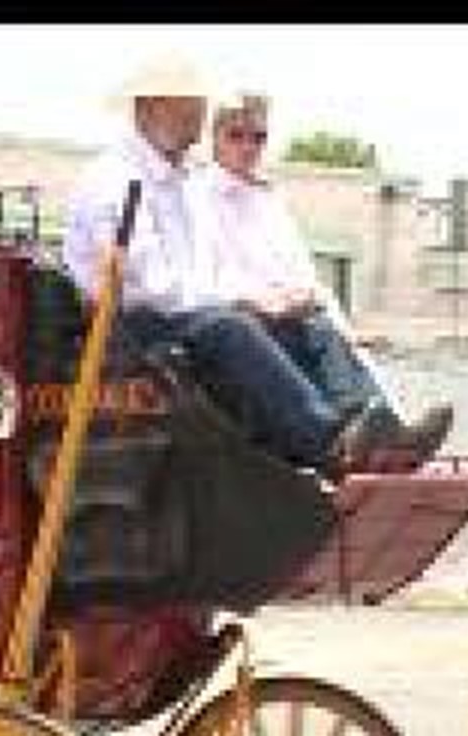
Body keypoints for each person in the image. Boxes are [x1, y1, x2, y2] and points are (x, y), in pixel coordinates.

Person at [61, 54, 421, 480]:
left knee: (307, 327)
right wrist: (244, 300)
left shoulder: (176, 183)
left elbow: (195, 277)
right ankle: (329, 443)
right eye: (189, 105)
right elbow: (152, 288)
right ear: (150, 108)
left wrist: (264, 303)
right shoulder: (116, 180)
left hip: (175, 315)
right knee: (231, 326)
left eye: (199, 105)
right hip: (127, 328)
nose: (200, 115)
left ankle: (375, 434)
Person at [194, 90, 453, 471]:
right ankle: (355, 437)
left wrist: (347, 328)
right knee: (300, 327)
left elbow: (308, 279)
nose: (249, 146)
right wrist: (261, 302)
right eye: (237, 135)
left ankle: (384, 433)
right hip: (238, 325)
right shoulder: (195, 197)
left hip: (292, 320)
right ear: (214, 138)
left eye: (258, 137)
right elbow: (196, 282)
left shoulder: (269, 202)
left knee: (325, 326)